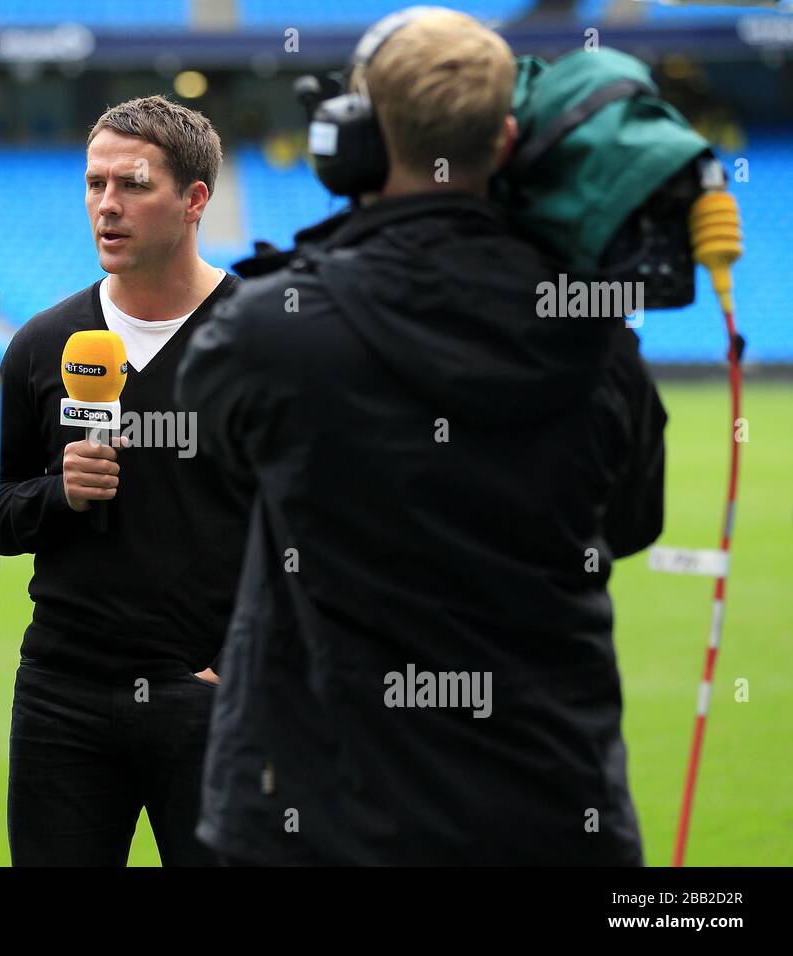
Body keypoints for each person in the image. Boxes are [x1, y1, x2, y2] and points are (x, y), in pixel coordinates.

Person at [177, 9, 666, 865]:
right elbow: (628, 527)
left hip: (318, 820)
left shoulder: (265, 330)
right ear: (508, 140)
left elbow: (218, 467)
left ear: (352, 141)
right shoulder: (597, 334)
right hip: (551, 808)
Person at [0, 95, 247, 866]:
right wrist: (58, 495)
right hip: (61, 695)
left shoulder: (262, 343)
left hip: (212, 695)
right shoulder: (43, 344)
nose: (107, 205)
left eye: (132, 185)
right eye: (95, 184)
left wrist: (239, 663)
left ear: (195, 199)